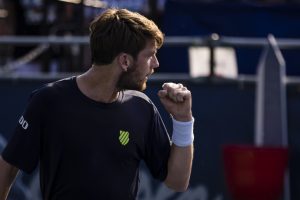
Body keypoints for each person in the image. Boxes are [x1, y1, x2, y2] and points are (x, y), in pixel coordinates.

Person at [0, 8, 194, 200]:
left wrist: (183, 120)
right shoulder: (48, 101)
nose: (156, 64)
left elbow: (177, 181)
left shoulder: (143, 108)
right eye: (150, 55)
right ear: (125, 61)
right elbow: (7, 168)